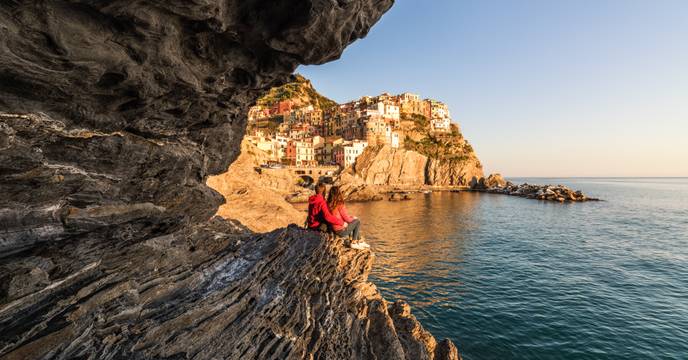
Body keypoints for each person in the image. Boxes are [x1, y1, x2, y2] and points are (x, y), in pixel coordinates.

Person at [327, 186, 370, 250]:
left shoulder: (328, 204)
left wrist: (352, 217)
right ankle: (354, 242)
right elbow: (347, 219)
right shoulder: (340, 204)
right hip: (341, 231)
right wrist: (354, 218)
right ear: (339, 194)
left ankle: (360, 241)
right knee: (357, 221)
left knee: (354, 221)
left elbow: (340, 217)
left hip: (334, 230)